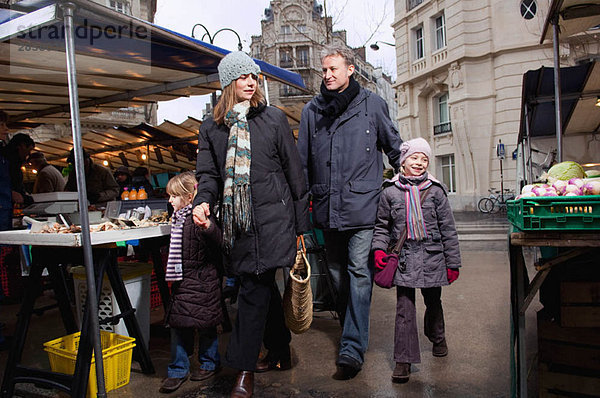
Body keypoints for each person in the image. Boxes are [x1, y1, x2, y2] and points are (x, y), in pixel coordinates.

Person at [193, 51, 309, 398]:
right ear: (228, 83)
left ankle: (243, 370)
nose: (250, 82)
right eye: (243, 77)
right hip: (238, 224)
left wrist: (302, 229)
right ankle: (279, 350)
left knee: (254, 290)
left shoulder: (273, 119)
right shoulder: (212, 128)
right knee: (260, 285)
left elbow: (295, 175)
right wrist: (202, 200)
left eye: (254, 77)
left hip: (275, 220)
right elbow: (209, 175)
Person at [296, 44, 402, 379]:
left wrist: (412, 181)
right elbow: (302, 164)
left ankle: (352, 349)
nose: (326, 76)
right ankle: (350, 330)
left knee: (359, 273)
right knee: (338, 276)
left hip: (364, 207)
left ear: (350, 69)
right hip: (327, 208)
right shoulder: (312, 111)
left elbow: (395, 148)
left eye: (333, 69)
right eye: (324, 70)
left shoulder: (372, 104)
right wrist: (298, 208)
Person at [370, 138, 461, 383]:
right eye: (414, 158)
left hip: (432, 257)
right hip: (404, 259)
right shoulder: (389, 192)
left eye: (424, 159)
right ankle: (403, 360)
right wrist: (378, 250)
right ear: (403, 161)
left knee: (433, 302)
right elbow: (381, 227)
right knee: (404, 310)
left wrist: (453, 263)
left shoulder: (436, 191)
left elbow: (448, 230)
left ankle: (438, 336)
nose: (419, 163)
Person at [159, 172, 223, 394]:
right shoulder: (177, 218)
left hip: (202, 282)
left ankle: (209, 363)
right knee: (178, 324)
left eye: (173, 196)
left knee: (205, 325)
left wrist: (207, 226)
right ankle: (178, 370)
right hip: (183, 282)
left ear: (187, 197)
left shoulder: (199, 217)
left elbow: (218, 242)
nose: (170, 201)